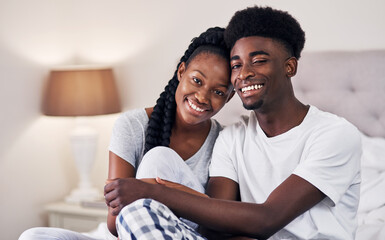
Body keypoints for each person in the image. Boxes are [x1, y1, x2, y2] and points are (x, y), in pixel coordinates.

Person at [104, 6, 362, 240]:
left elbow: (267, 219)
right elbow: (213, 226)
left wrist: (154, 192)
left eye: (258, 60)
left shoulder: (334, 134)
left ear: (290, 67)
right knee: (125, 208)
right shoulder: (232, 138)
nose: (244, 73)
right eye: (237, 65)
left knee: (140, 209)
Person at [19, 27, 234, 240]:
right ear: (181, 72)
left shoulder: (225, 140)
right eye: (197, 80)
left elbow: (216, 224)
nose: (202, 97)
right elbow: (114, 224)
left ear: (229, 97)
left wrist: (155, 191)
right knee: (33, 235)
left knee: (158, 158)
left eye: (218, 92)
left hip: (181, 235)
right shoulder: (133, 125)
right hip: (123, 233)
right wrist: (171, 193)